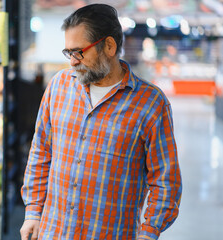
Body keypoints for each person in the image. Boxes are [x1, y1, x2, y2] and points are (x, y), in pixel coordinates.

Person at [20, 4, 182, 240]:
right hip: (52, 233)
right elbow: (40, 152)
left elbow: (165, 181)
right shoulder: (58, 86)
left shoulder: (151, 104)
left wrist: (149, 232)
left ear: (109, 46)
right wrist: (33, 212)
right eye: (68, 53)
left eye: (79, 52)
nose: (72, 62)